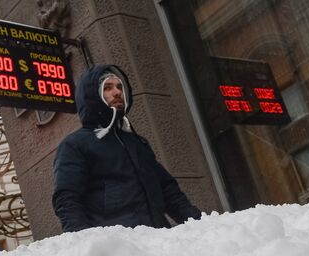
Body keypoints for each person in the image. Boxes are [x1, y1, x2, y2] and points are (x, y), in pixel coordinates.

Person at [52, 64, 201, 232]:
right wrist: (86, 245)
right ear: (91, 96)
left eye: (119, 87)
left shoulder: (137, 142)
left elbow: (168, 190)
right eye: (107, 88)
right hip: (118, 246)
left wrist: (200, 224)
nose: (117, 92)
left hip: (158, 238)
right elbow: (67, 199)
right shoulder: (75, 145)